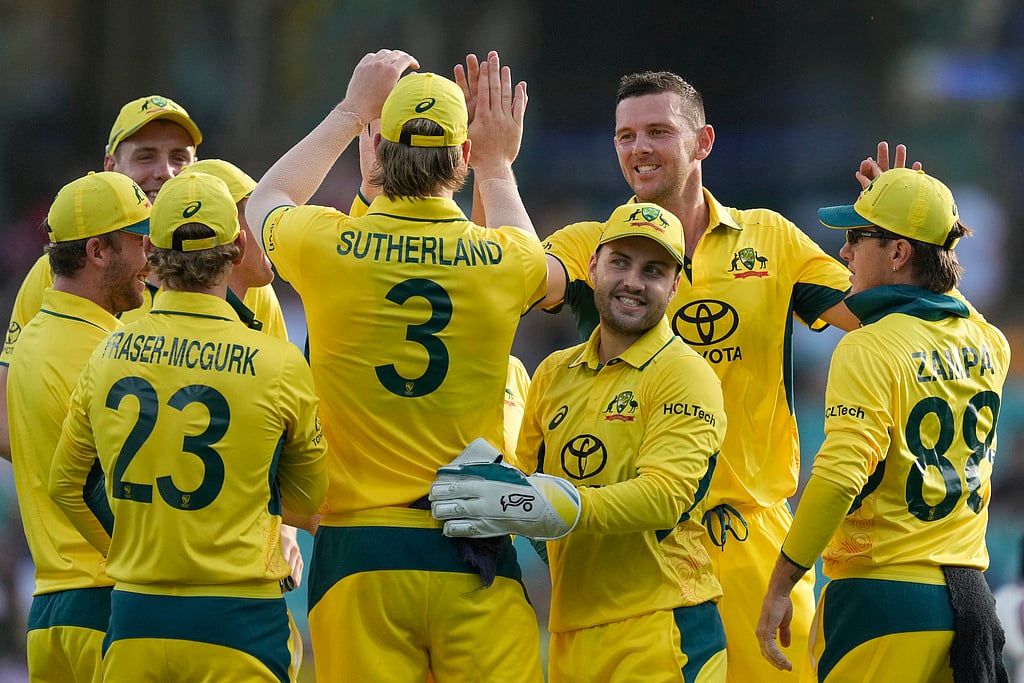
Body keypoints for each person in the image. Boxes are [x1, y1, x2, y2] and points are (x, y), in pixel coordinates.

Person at [497, 65, 858, 681]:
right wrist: (497, 166)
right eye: (625, 136)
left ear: (704, 142)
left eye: (659, 132)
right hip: (638, 550)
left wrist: (899, 239)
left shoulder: (770, 238)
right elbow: (515, 277)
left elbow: (865, 317)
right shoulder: (598, 245)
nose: (639, 148)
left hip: (750, 537)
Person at [246, 50, 546, 682]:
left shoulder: (328, 245)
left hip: (360, 552)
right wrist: (497, 163)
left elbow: (264, 198)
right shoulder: (503, 261)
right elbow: (540, 266)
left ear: (377, 151)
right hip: (475, 541)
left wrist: (349, 110)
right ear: (461, 157)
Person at [48, 169, 327, 682]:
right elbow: (308, 500)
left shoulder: (107, 353)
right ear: (239, 246)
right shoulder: (280, 363)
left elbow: (64, 486)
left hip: (136, 619)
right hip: (239, 623)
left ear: (151, 250)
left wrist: (128, 550)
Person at [431, 202, 728, 682]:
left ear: (675, 286)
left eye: (653, 271)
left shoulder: (686, 374)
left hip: (663, 627)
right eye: (620, 263)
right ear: (592, 267)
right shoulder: (553, 373)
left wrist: (561, 506)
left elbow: (665, 497)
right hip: (571, 636)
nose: (633, 281)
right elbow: (525, 492)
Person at [757, 168, 1011, 682]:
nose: (845, 254)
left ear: (898, 254)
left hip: (881, 601)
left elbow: (839, 477)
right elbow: (951, 300)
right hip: (971, 605)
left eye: (857, 237)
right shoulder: (990, 341)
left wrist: (783, 581)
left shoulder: (868, 345)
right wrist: (914, 206)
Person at [0, 95, 287, 459]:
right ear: (111, 165)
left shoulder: (236, 271)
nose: (165, 172)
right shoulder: (63, 269)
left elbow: (278, 421)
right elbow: (6, 419)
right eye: (146, 156)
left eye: (179, 158)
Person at [8, 171, 151, 682]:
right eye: (139, 240)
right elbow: (101, 487)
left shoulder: (29, 343)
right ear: (97, 251)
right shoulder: (108, 351)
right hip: (107, 602)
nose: (150, 257)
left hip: (48, 615)